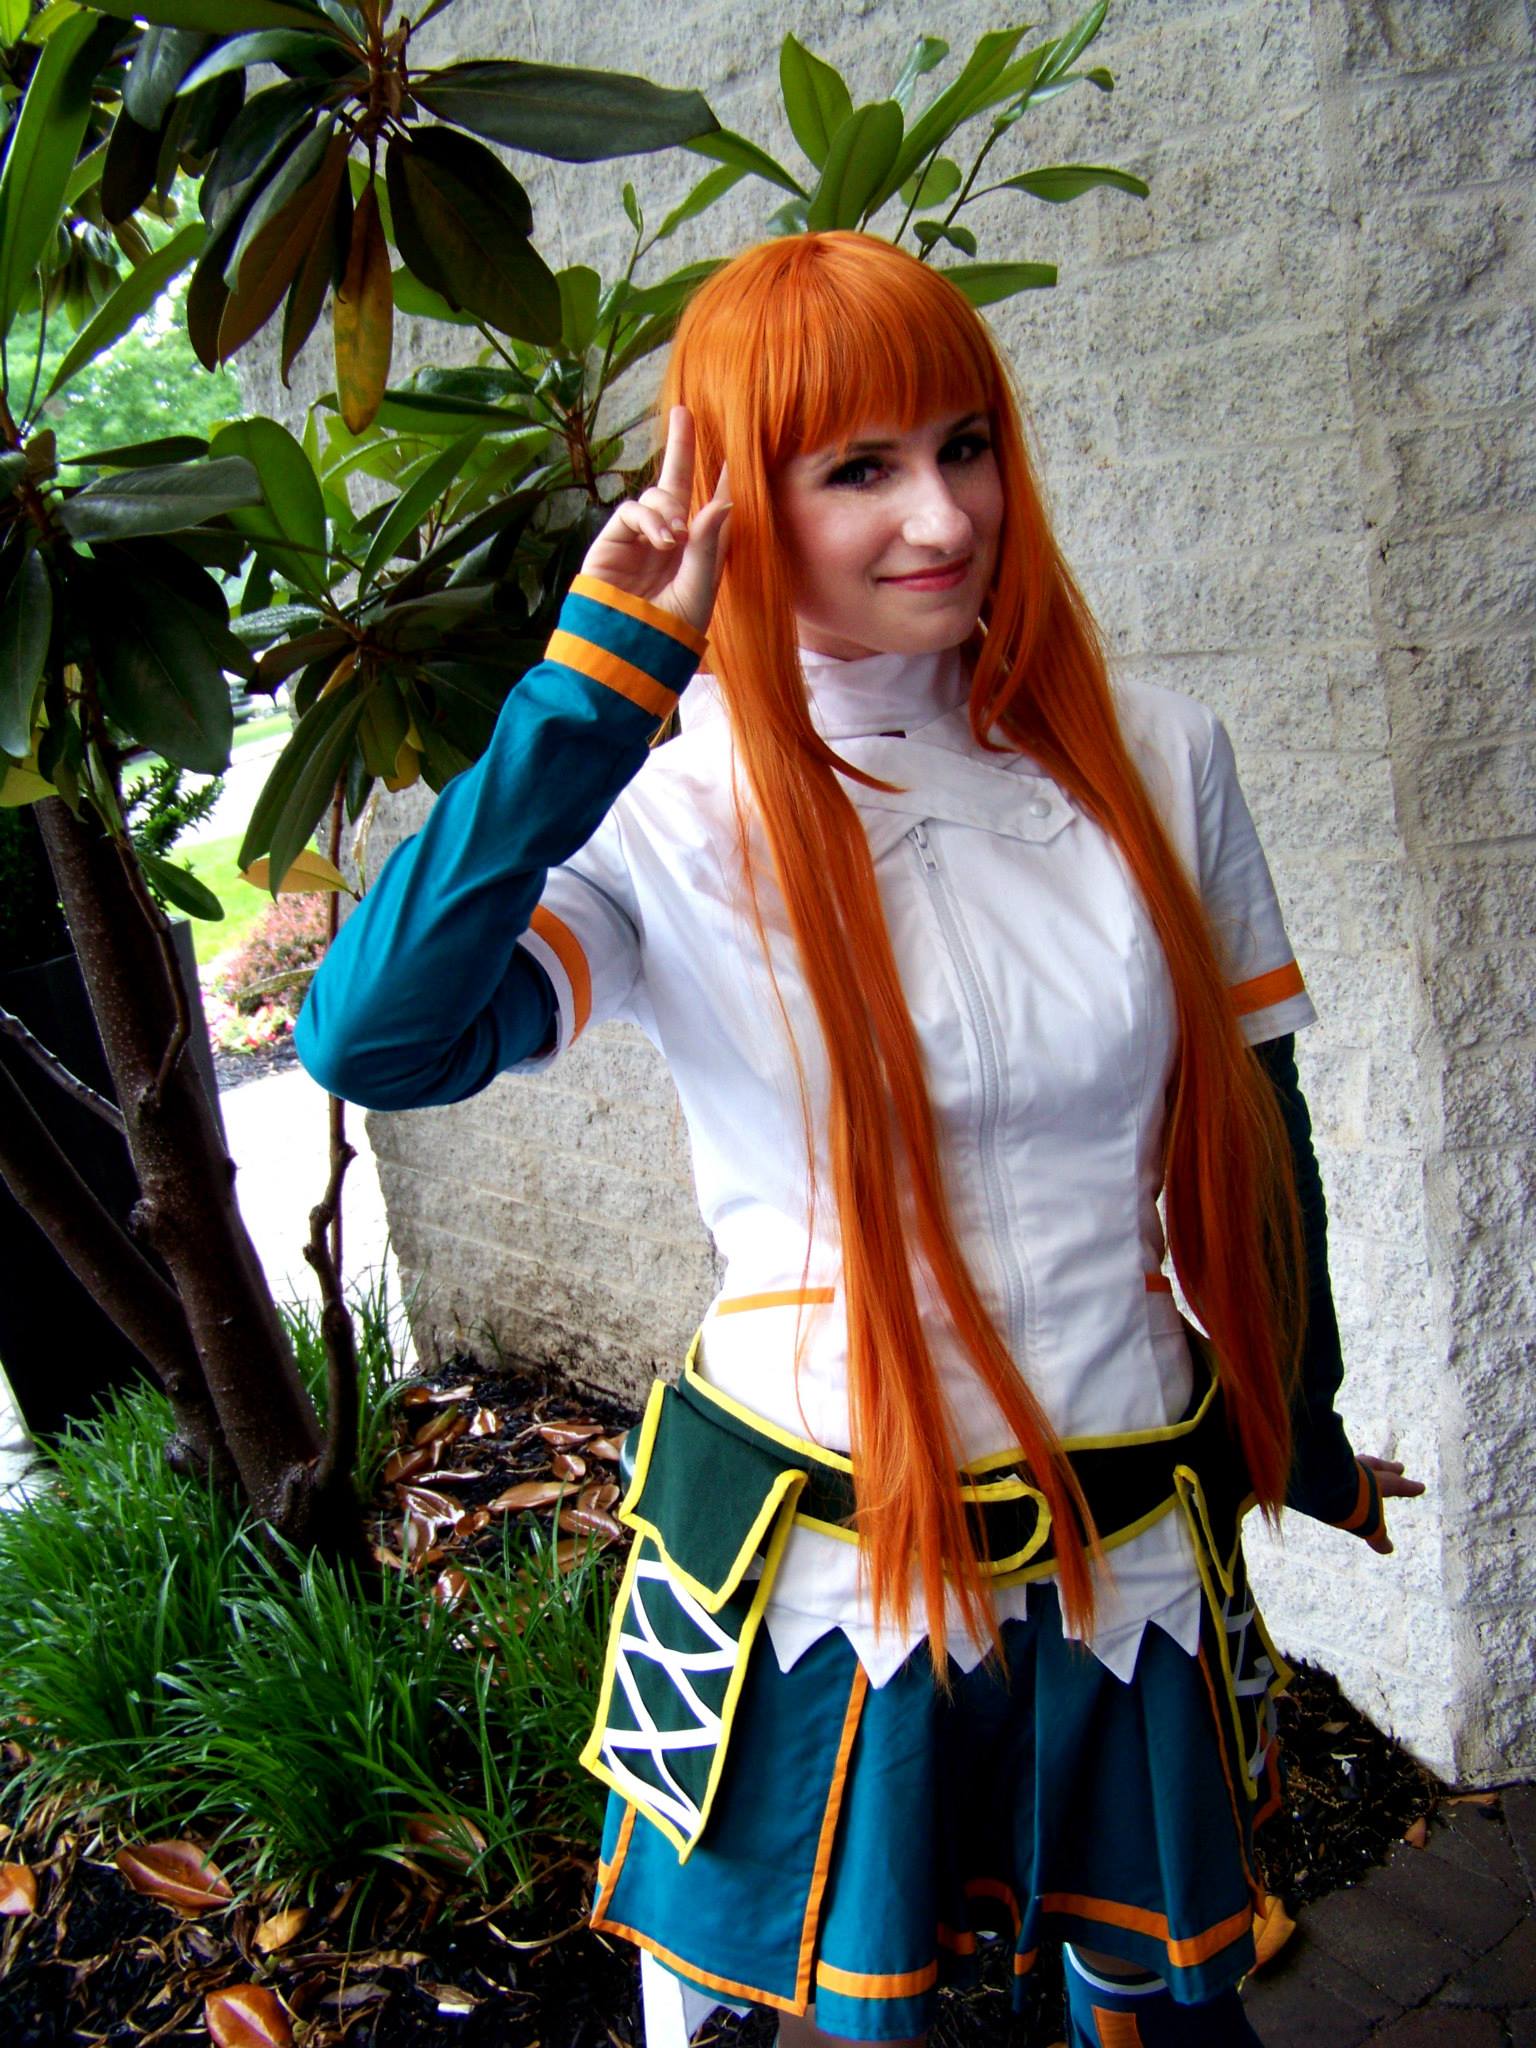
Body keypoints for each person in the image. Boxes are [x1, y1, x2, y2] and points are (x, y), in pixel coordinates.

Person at [296, 232, 1423, 2048]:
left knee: (1166, 2007)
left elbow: (1257, 1140)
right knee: (808, 2022)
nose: (943, 518)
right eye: (859, 470)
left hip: (1129, 1526)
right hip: (815, 1562)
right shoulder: (663, 803)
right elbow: (374, 1039)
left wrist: (1305, 1427)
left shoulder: (1158, 754)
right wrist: (592, 687)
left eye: (964, 446)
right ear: (743, 501)